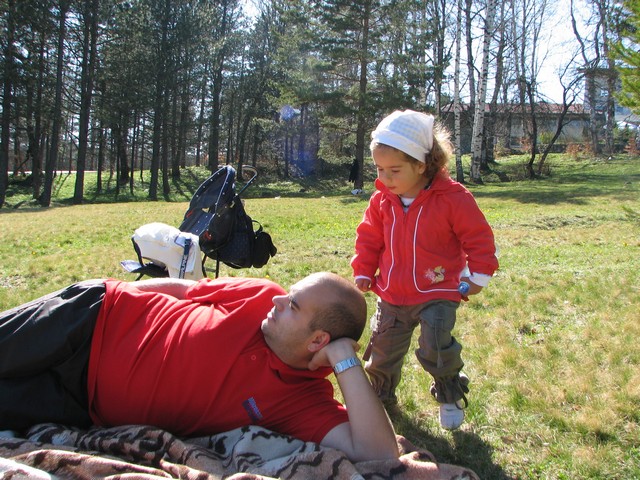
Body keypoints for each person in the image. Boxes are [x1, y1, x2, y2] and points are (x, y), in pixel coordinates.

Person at [0, 273, 398, 462]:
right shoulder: (262, 294)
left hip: (79, 403)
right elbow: (186, 290)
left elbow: (379, 453)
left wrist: (345, 360)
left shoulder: (302, 400)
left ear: (317, 341)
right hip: (89, 319)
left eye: (292, 305)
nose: (278, 302)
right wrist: (113, 290)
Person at [351, 109, 499, 430]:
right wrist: (364, 269)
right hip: (392, 292)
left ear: (421, 164)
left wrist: (478, 275)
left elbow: (478, 238)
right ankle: (380, 398)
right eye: (379, 169)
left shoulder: (453, 198)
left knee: (436, 347)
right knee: (383, 351)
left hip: (438, 290)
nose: (386, 178)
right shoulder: (382, 201)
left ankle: (449, 393)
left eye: (394, 170)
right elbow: (369, 238)